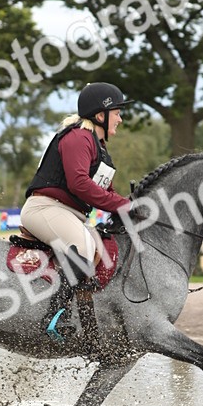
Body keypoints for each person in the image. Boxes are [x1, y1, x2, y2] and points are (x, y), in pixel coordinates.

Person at [20, 81, 132, 340]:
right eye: (117, 113)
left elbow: (108, 194)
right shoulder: (78, 137)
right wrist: (122, 204)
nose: (121, 119)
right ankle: (54, 319)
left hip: (67, 214)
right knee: (83, 248)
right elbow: (79, 183)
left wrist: (133, 206)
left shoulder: (100, 147)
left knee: (99, 248)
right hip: (45, 208)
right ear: (100, 115)